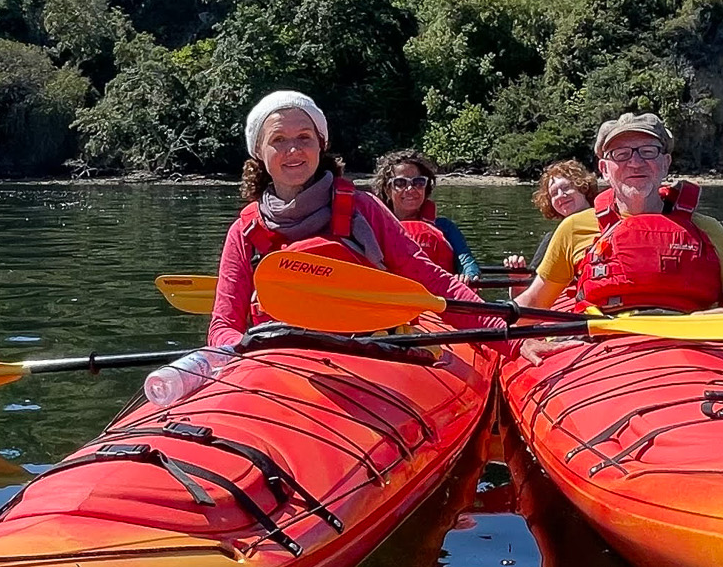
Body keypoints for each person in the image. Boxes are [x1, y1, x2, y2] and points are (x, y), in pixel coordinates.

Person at [145, 93, 490, 404]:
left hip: (371, 353)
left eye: (304, 138)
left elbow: (432, 281)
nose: (293, 150)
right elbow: (224, 325)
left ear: (320, 145)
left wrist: (506, 337)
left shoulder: (363, 209)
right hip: (278, 366)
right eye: (278, 140)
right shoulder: (246, 231)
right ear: (260, 154)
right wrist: (245, 363)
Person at [516, 113, 723, 315]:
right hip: (602, 352)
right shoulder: (574, 229)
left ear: (665, 163)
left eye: (648, 151)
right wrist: (523, 342)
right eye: (621, 154)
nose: (635, 163)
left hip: (694, 347)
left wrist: (722, 317)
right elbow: (534, 301)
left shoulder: (708, 230)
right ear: (604, 169)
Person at [373, 150, 481, 279]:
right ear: (387, 189)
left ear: (426, 187)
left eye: (418, 182)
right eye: (400, 183)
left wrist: (469, 275)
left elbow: (467, 263)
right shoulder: (375, 227)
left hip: (439, 295)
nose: (410, 189)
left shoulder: (445, 227)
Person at [505, 160, 597, 275]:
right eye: (554, 193)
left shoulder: (610, 223)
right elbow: (530, 286)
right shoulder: (552, 239)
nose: (561, 195)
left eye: (566, 187)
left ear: (583, 187)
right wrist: (517, 279)